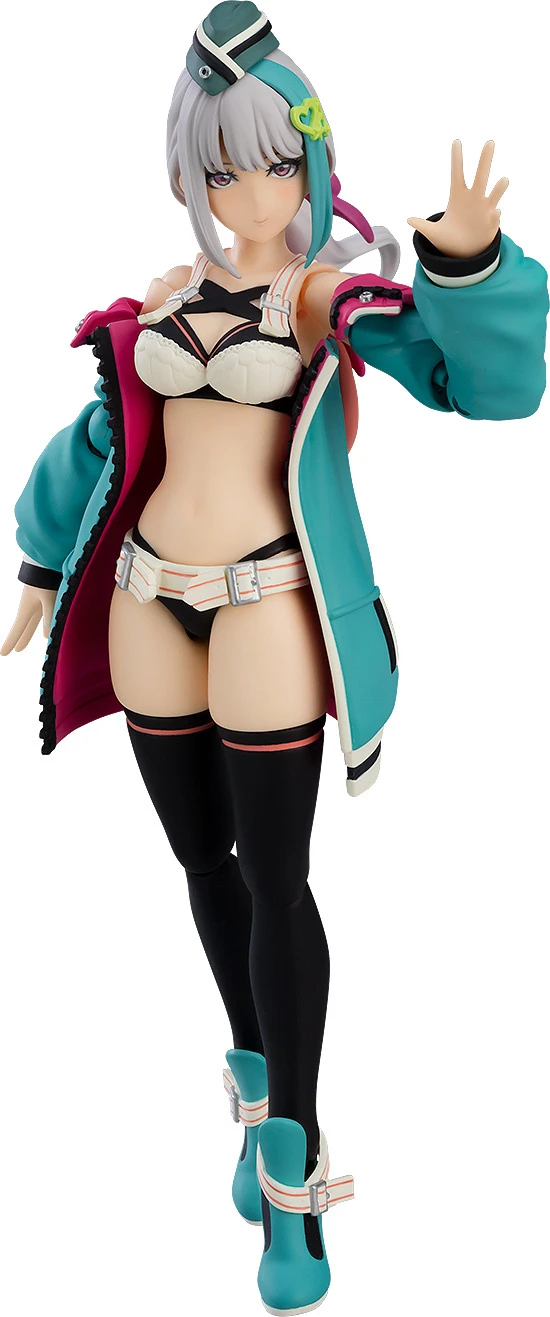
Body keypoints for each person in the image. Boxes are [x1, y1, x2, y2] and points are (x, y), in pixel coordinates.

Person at [2, 4, 547, 1312]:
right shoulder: (163, 294)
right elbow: (103, 436)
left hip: (265, 605)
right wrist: (39, 561)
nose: (249, 191)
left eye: (270, 161)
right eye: (220, 166)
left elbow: (486, 389)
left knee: (278, 878)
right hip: (145, 600)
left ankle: (295, 1172)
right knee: (202, 866)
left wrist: (469, 267)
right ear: (188, 174)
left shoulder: (323, 299)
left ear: (310, 159)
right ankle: (252, 1094)